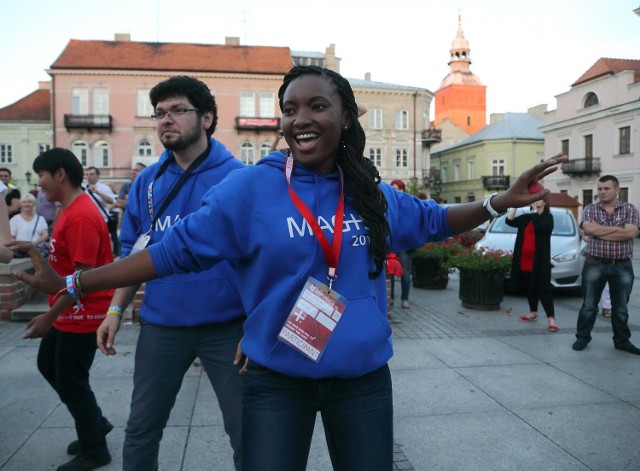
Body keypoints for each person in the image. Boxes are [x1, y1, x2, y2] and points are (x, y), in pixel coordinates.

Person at [11, 65, 566, 471]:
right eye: (290, 108)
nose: (300, 119)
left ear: (346, 116)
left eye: (316, 106)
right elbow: (168, 253)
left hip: (362, 383)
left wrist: (498, 202)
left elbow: (433, 219)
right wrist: (76, 283)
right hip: (277, 381)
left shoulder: (368, 191)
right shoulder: (250, 188)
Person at [96, 76, 245, 471]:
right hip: (162, 326)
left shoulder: (239, 179)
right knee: (142, 428)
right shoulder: (147, 182)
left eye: (178, 110)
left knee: (247, 430)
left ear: (207, 117)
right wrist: (114, 311)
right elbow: (133, 252)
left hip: (228, 328)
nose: (166, 120)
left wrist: (258, 324)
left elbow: (261, 257)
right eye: (160, 113)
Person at [21, 148, 114, 470]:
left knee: (72, 381)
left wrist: (48, 317)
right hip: (67, 312)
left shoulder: (82, 216)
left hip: (83, 315)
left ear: (60, 174)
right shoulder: (68, 210)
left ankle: (95, 449)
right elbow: (62, 266)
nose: (39, 184)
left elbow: (81, 280)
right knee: (50, 365)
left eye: (41, 176)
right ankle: (95, 424)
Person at [573, 174, 640, 354]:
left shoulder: (630, 209)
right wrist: (619, 230)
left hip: (622, 266)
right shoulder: (590, 209)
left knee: (620, 307)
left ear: (617, 190)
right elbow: (588, 229)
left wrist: (599, 232)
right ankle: (582, 337)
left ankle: (622, 341)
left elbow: (630, 233)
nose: (602, 192)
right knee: (588, 305)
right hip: (595, 264)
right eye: (600, 189)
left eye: (606, 188)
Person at [506, 200, 557, 332]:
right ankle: (533, 312)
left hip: (539, 260)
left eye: (538, 198)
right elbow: (509, 221)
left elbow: (540, 226)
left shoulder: (548, 218)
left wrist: (535, 211)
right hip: (524, 260)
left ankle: (551, 318)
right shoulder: (526, 217)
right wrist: (515, 206)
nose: (535, 201)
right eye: (533, 198)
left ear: (545, 202)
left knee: (543, 288)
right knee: (530, 287)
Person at [84, 166, 118, 256]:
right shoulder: (83, 189)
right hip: (88, 221)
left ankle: (109, 259)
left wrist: (97, 192)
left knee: (105, 242)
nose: (89, 176)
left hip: (102, 220)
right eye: (87, 174)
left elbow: (112, 201)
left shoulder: (104, 188)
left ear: (98, 176)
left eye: (91, 174)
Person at [389, 179, 412, 309]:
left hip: (404, 243)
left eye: (397, 188)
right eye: (392, 189)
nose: (394, 191)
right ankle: (390, 297)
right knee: (390, 270)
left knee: (405, 272)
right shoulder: (389, 203)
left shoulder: (408, 204)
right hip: (392, 242)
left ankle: (405, 299)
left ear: (403, 190)